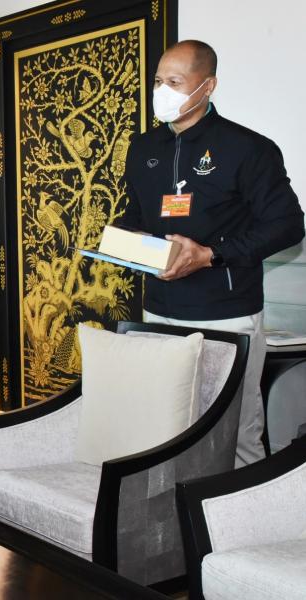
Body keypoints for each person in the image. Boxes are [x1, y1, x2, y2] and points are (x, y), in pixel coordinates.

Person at [119, 40, 304, 466]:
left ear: (208, 86)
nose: (162, 91)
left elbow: (287, 225)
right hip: (158, 312)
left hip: (225, 314)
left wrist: (209, 255)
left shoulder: (249, 148)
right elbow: (135, 215)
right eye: (158, 81)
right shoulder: (143, 148)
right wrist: (125, 239)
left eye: (175, 82)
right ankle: (173, 505)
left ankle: (242, 507)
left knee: (233, 430)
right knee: (164, 427)